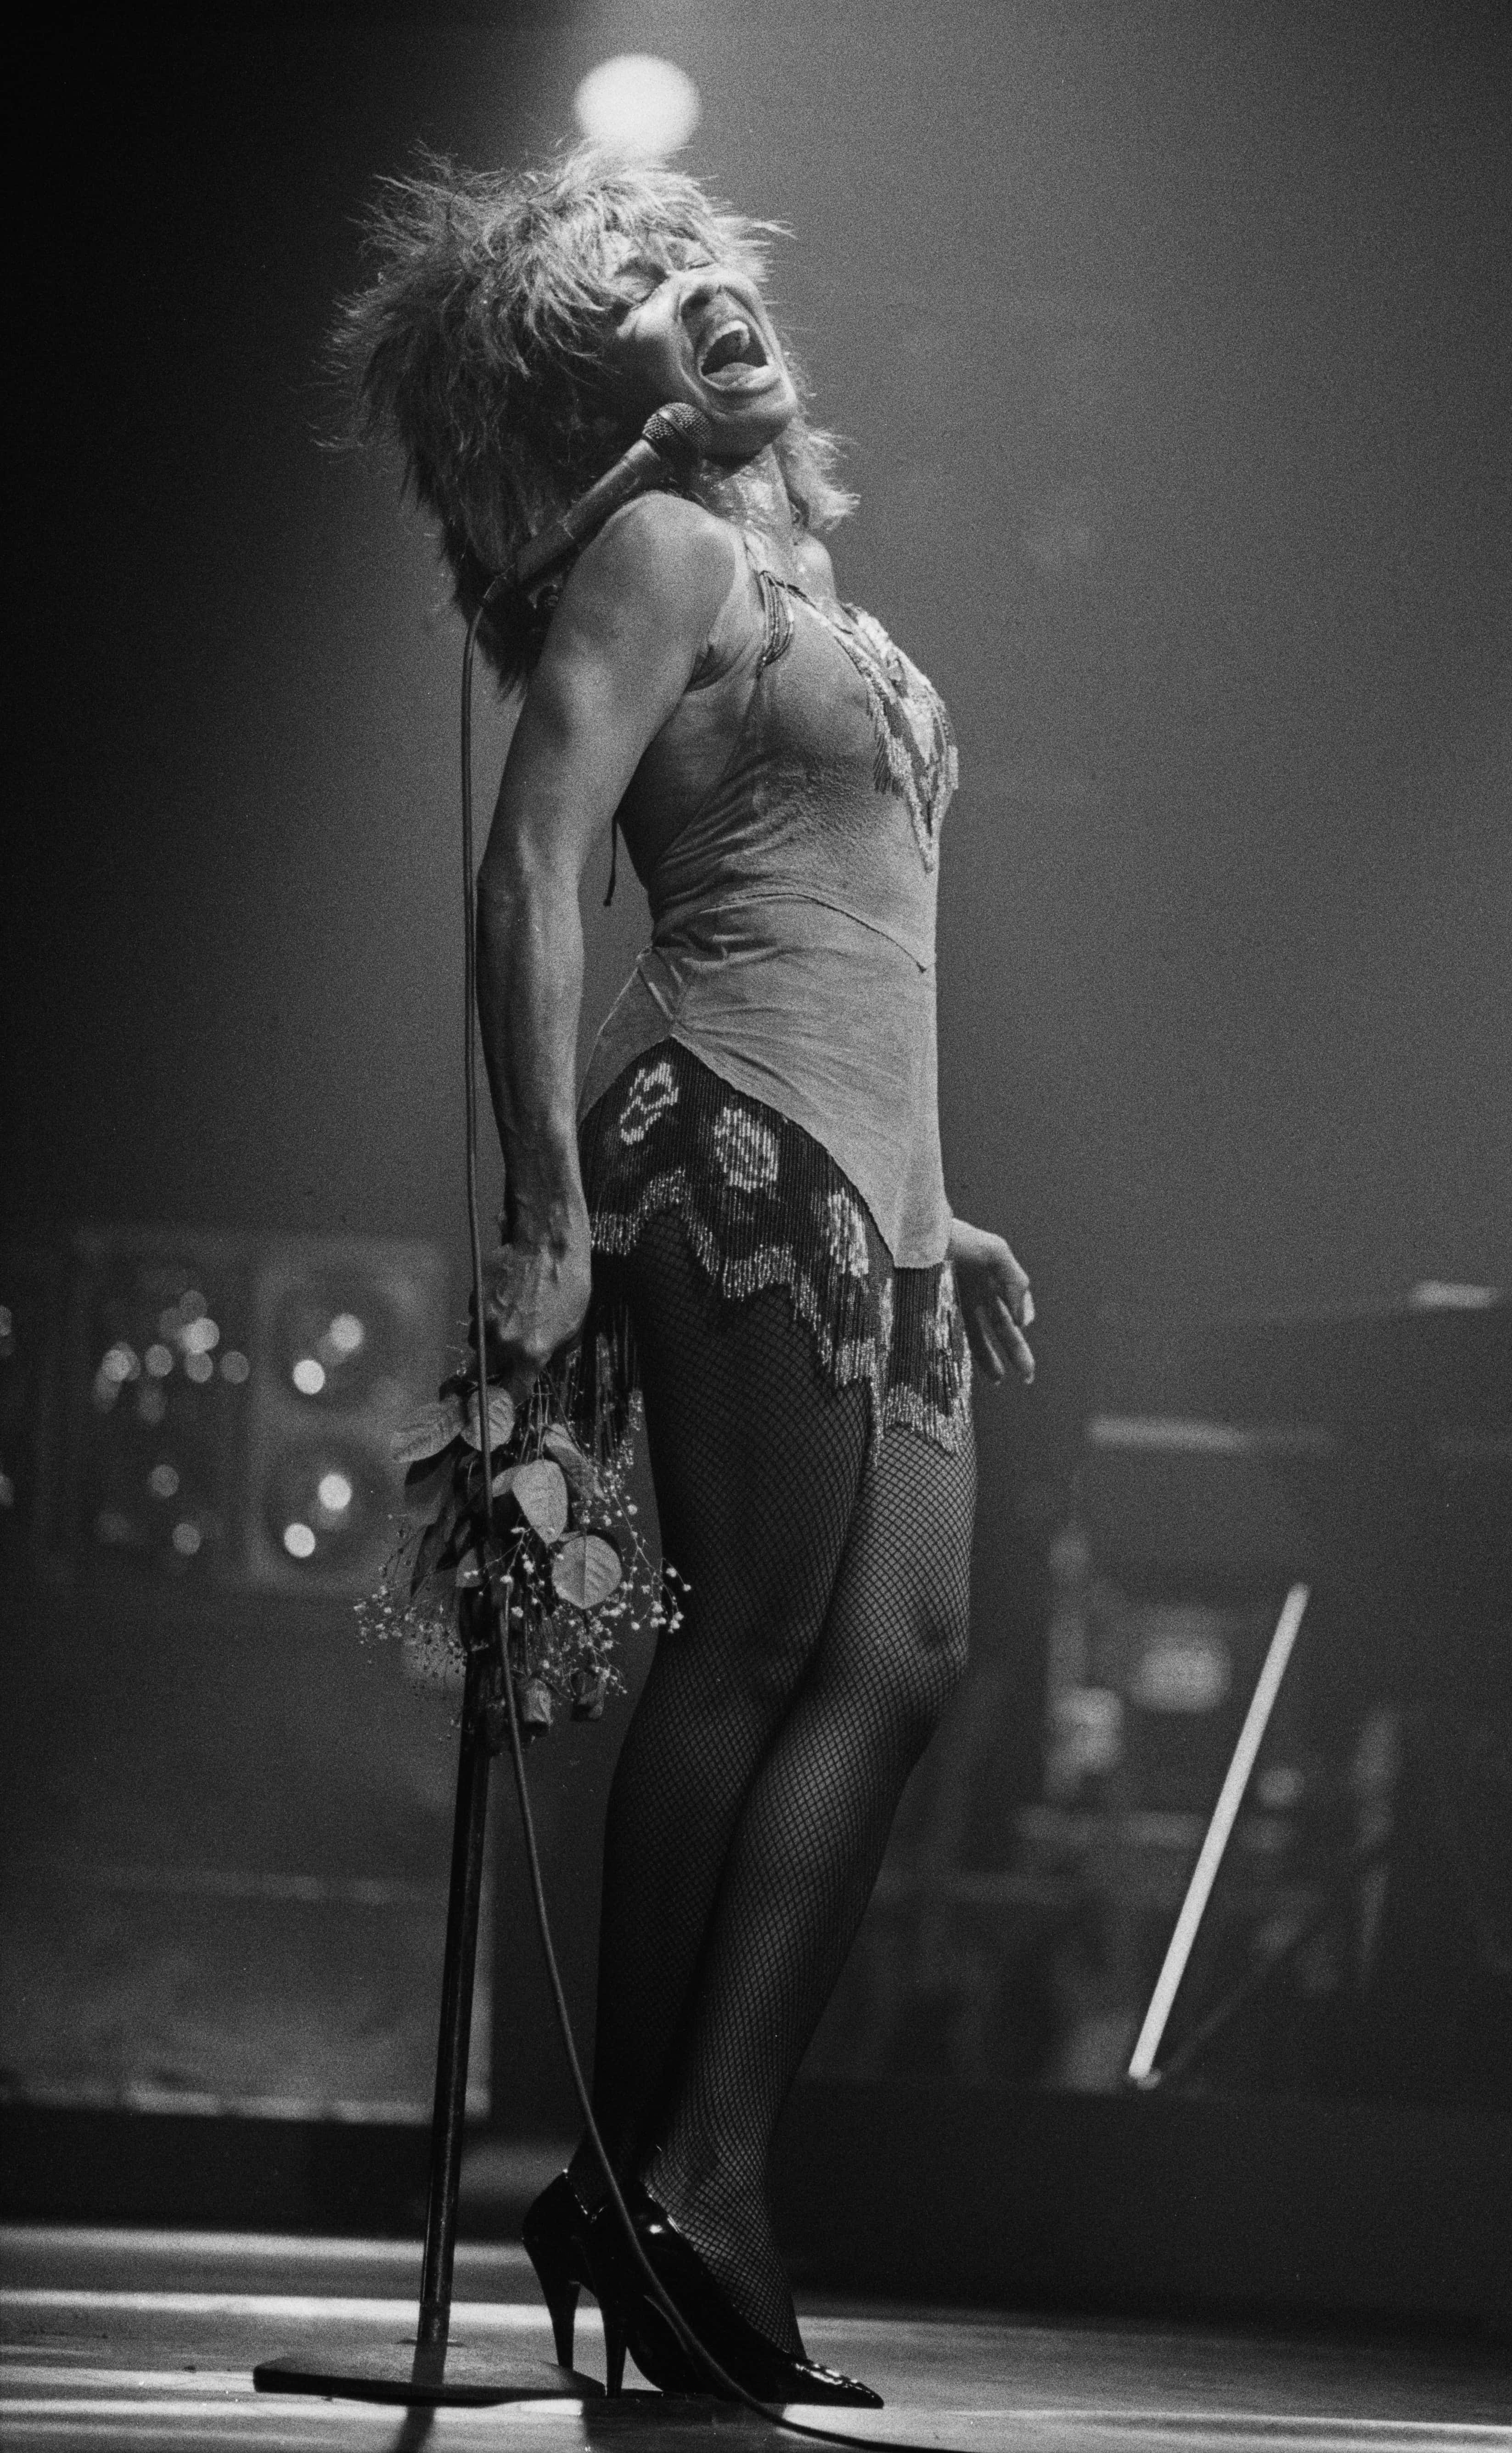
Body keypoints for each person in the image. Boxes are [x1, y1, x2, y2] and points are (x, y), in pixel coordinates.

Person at [334, 144, 1035, 2407]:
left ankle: (678, 2171)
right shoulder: (662, 543)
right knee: (750, 1641)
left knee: (908, 1655)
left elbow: (853, 917)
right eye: (631, 285)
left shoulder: (794, 570)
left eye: (696, 258)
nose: (696, 288)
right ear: (582, 392)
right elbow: (535, 865)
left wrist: (949, 1194)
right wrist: (547, 1210)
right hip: (728, 1138)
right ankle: (668, 2180)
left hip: (885, 1185)